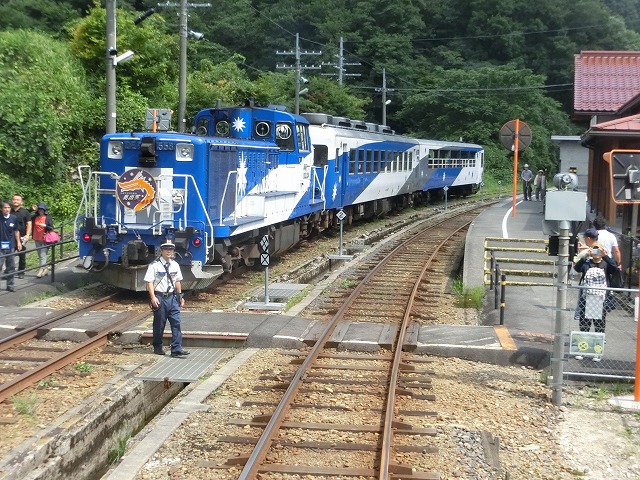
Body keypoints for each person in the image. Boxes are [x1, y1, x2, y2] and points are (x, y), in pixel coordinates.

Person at [572, 241, 617, 361]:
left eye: (599, 250)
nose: (596, 253)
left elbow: (614, 268)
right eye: (594, 250)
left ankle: (597, 352)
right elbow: (577, 268)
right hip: (587, 298)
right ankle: (581, 350)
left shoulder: (606, 264)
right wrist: (585, 256)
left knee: (599, 325)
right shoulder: (587, 263)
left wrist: (606, 256)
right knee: (584, 324)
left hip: (600, 299)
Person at [144, 241, 190, 357]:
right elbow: (149, 282)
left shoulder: (175, 265)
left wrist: (180, 296)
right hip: (160, 296)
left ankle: (176, 349)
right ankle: (158, 346)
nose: (169, 251)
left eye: (171, 249)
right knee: (159, 324)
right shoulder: (154, 265)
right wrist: (153, 297)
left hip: (172, 297)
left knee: (176, 323)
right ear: (161, 251)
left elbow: (178, 281)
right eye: (166, 249)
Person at [0, 201, 22, 292]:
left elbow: (16, 231)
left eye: (8, 208)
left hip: (11, 245)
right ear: (1, 209)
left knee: (11, 266)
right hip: (1, 246)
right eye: (5, 208)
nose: (7, 209)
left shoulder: (14, 218)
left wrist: (18, 242)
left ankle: (10, 285)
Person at [11, 194, 32, 278]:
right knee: (9, 254)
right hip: (10, 236)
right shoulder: (9, 211)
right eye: (14, 199)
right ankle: (9, 271)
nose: (15, 201)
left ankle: (21, 271)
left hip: (22, 236)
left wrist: (27, 234)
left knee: (22, 254)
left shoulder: (25, 212)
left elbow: (29, 223)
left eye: (18, 200)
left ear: (21, 202)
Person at [31, 202, 54, 278]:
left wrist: (45, 226)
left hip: (45, 239)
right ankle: (46, 268)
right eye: (39, 210)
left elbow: (51, 228)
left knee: (43, 255)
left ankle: (41, 270)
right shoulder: (35, 217)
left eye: (42, 210)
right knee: (39, 255)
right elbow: (27, 217)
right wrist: (31, 209)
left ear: (44, 210)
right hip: (36, 238)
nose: (41, 211)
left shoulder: (47, 218)